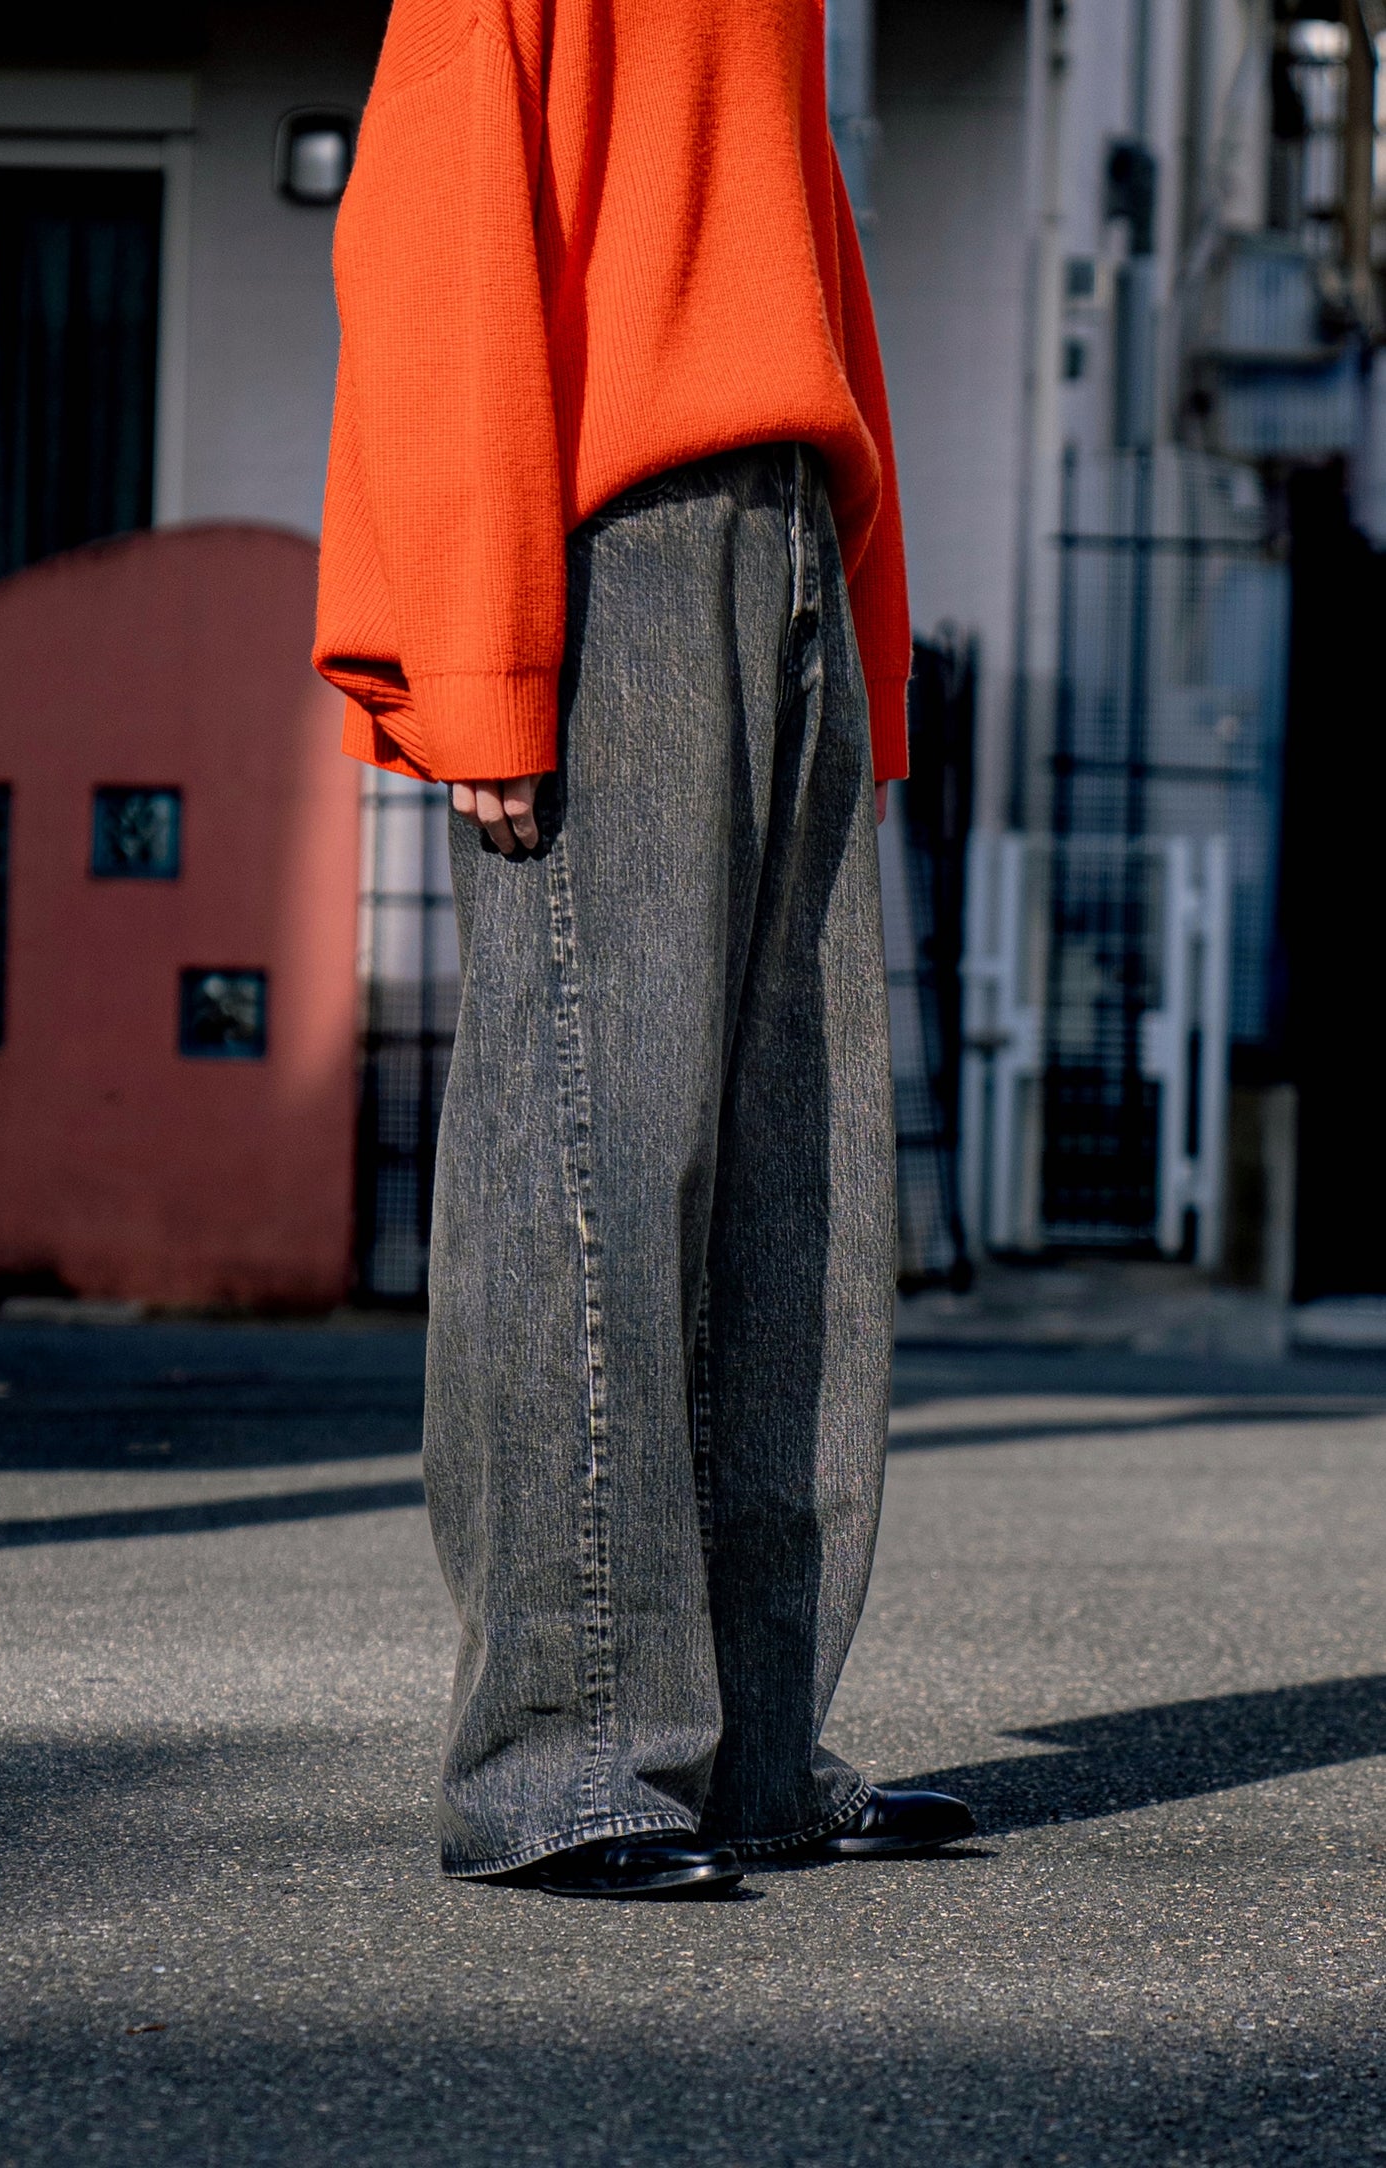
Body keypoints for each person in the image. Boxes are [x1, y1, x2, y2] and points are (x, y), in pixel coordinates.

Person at [314, 0, 973, 1898]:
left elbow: (802, 249)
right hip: (608, 538)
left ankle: (756, 1750)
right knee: (589, 1155)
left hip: (787, 527)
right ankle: (564, 1761)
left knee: (802, 1182)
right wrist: (478, 649)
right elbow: (439, 238)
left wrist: (859, 620)